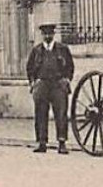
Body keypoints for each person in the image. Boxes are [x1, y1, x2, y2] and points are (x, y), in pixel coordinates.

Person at [26, 22, 74, 154]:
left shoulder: (62, 49)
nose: (47, 36)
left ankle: (62, 142)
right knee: (40, 114)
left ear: (53, 34)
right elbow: (30, 68)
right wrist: (33, 83)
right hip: (42, 85)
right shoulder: (36, 51)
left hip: (58, 85)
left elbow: (70, 66)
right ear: (42, 35)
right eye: (45, 34)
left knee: (61, 114)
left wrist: (67, 80)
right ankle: (42, 142)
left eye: (50, 33)